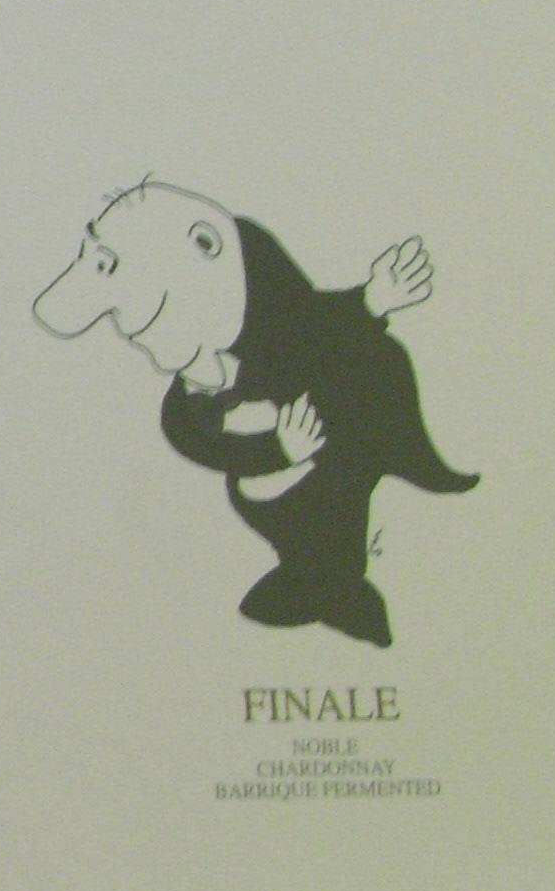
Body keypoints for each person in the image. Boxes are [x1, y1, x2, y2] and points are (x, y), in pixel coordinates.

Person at [33, 179, 474, 648]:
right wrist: (276, 450)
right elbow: (196, 439)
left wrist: (371, 300)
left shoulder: (264, 296)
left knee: (338, 496)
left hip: (338, 456)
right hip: (286, 491)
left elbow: (315, 323)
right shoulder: (189, 401)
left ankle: (337, 576)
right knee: (298, 510)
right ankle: (322, 582)